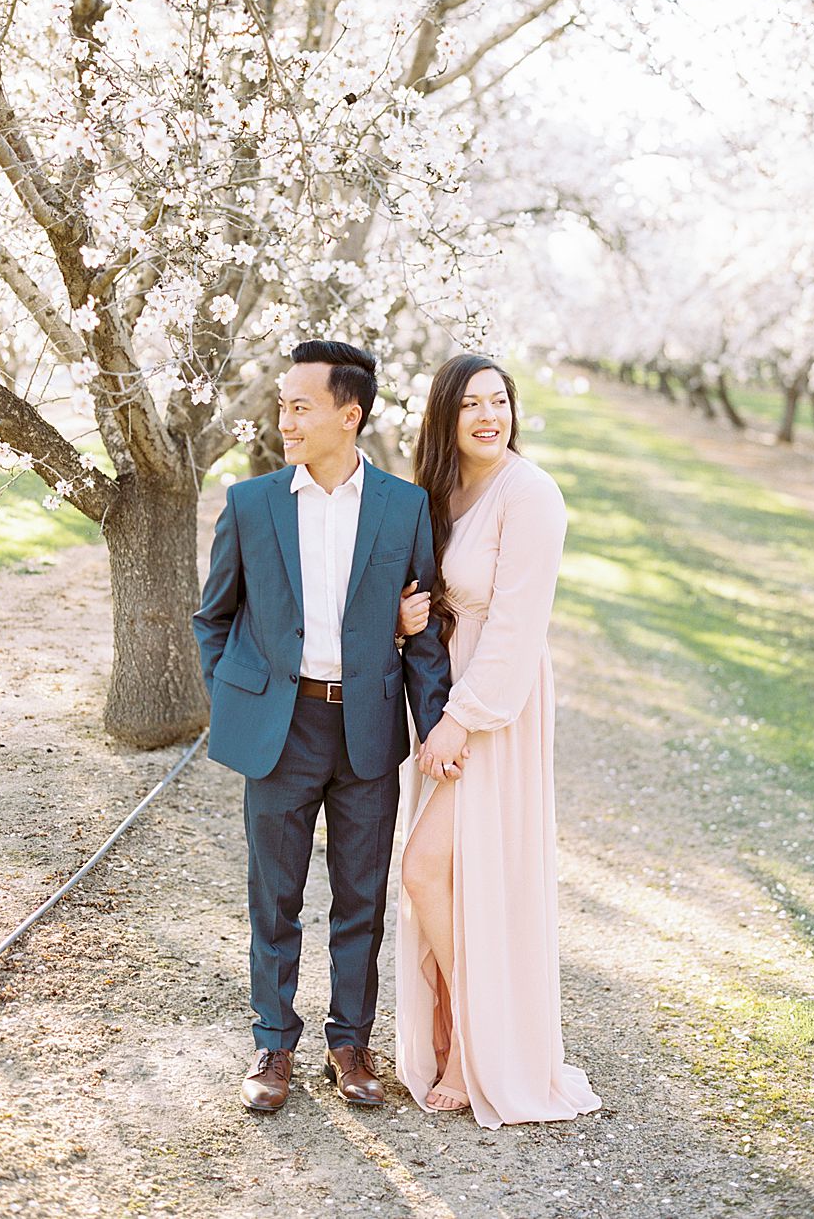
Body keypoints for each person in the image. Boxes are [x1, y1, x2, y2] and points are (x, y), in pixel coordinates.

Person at [191, 340, 456, 1113]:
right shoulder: (252, 502)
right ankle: (273, 1043)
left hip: (367, 729)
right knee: (273, 896)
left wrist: (435, 729)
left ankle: (350, 1043)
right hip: (282, 726)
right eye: (282, 404)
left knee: (359, 898)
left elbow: (425, 633)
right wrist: (236, 697)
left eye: (299, 405)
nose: (285, 419)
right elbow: (215, 616)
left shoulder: (405, 508)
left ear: (351, 414)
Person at [392, 353, 601, 1126]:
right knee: (445, 877)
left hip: (492, 708)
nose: (489, 415)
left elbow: (515, 627)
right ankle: (459, 1032)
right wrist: (407, 619)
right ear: (446, 416)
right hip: (450, 695)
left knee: (424, 870)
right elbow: (438, 596)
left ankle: (471, 1046)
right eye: (472, 404)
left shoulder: (531, 494)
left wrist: (460, 717)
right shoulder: (444, 490)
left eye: (500, 401)